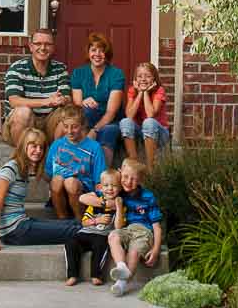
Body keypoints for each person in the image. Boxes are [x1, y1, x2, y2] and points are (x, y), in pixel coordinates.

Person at [0, 128, 79, 253]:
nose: (38, 151)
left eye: (41, 147)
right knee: (71, 230)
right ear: (24, 146)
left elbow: (49, 176)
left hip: (22, 223)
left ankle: (95, 227)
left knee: (70, 224)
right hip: (14, 232)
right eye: (34, 146)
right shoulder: (10, 169)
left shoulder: (23, 169)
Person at [1, 26, 70, 147]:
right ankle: (23, 158)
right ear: (31, 46)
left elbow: (67, 98)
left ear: (53, 48)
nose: (43, 48)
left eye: (48, 44)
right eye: (38, 44)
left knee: (66, 113)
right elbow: (14, 101)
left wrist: (62, 100)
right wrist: (47, 102)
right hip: (22, 125)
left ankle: (56, 157)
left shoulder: (60, 69)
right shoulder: (17, 68)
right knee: (23, 112)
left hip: (49, 124)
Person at [106, 158, 163, 298]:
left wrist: (155, 250)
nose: (128, 182)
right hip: (127, 230)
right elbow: (87, 198)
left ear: (140, 181)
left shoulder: (147, 197)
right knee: (113, 236)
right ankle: (121, 266)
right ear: (120, 173)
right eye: (125, 177)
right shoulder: (119, 193)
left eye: (133, 179)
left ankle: (121, 284)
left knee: (134, 252)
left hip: (144, 232)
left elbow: (157, 226)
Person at [43, 107, 106, 223]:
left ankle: (80, 221)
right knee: (57, 180)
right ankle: (62, 220)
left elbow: (99, 180)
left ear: (82, 125)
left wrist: (100, 200)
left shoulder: (94, 147)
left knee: (70, 182)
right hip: (60, 195)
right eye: (66, 126)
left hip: (83, 195)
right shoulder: (57, 145)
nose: (69, 131)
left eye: (74, 127)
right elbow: (48, 175)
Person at [70, 31, 127, 158]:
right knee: (85, 111)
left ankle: (103, 174)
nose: (97, 54)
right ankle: (79, 168)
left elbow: (111, 112)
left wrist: (95, 130)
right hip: (87, 119)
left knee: (108, 131)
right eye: (93, 50)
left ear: (107, 54)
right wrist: (84, 101)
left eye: (101, 50)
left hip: (111, 120)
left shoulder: (116, 74)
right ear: (88, 52)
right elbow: (77, 103)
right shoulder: (78, 73)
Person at [64, 169, 121, 287]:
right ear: (100, 187)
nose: (110, 188)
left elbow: (118, 226)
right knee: (71, 242)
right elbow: (84, 223)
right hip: (86, 232)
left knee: (101, 245)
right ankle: (72, 275)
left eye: (114, 185)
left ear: (120, 188)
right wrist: (97, 220)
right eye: (106, 185)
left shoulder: (118, 204)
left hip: (102, 235)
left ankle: (96, 275)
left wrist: (119, 207)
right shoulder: (94, 203)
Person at [120, 60, 170, 171]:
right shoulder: (133, 90)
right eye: (140, 76)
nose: (143, 79)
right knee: (125, 122)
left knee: (149, 122)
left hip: (159, 133)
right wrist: (140, 93)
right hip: (140, 132)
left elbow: (150, 114)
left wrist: (146, 93)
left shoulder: (159, 90)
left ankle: (150, 168)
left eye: (147, 76)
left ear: (154, 78)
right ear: (135, 79)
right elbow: (129, 115)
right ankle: (134, 164)